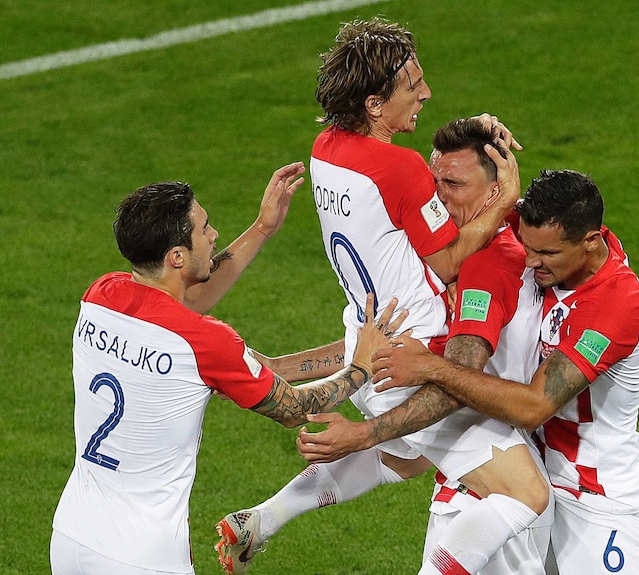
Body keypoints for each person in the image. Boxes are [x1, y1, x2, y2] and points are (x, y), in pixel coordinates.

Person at [214, 18, 549, 575]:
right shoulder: (400, 167)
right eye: (412, 84)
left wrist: (475, 130)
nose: (425, 93)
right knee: (524, 494)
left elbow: (413, 198)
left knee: (405, 456)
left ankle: (260, 521)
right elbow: (447, 258)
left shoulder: (327, 149)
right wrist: (505, 196)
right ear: (374, 102)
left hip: (367, 345)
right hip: (416, 360)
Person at [49, 171, 407, 575]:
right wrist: (361, 364)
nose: (214, 233)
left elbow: (183, 302)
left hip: (71, 536)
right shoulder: (207, 343)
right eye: (204, 228)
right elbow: (297, 407)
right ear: (177, 256)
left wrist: (262, 228)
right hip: (141, 556)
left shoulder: (101, 295)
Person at [373, 169, 639, 574]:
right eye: (528, 247)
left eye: (546, 255)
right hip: (528, 485)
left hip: (598, 501)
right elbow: (471, 198)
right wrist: (488, 140)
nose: (530, 261)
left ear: (590, 242)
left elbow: (533, 408)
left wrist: (434, 368)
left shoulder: (616, 303)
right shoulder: (546, 237)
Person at [297, 117, 556, 575]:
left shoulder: (482, 267)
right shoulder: (494, 240)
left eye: (452, 185)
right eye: (434, 181)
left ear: (496, 193)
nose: (436, 196)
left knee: (413, 459)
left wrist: (365, 431)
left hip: (495, 465)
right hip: (490, 474)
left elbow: (457, 376)